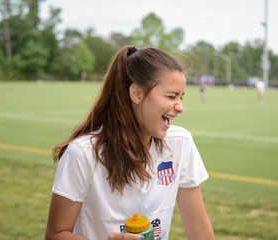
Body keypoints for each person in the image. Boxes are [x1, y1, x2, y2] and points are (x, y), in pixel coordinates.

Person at [45, 46, 215, 240]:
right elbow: (55, 235)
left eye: (181, 97)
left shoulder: (180, 143)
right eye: (171, 96)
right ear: (136, 94)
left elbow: (199, 230)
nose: (180, 107)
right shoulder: (83, 153)